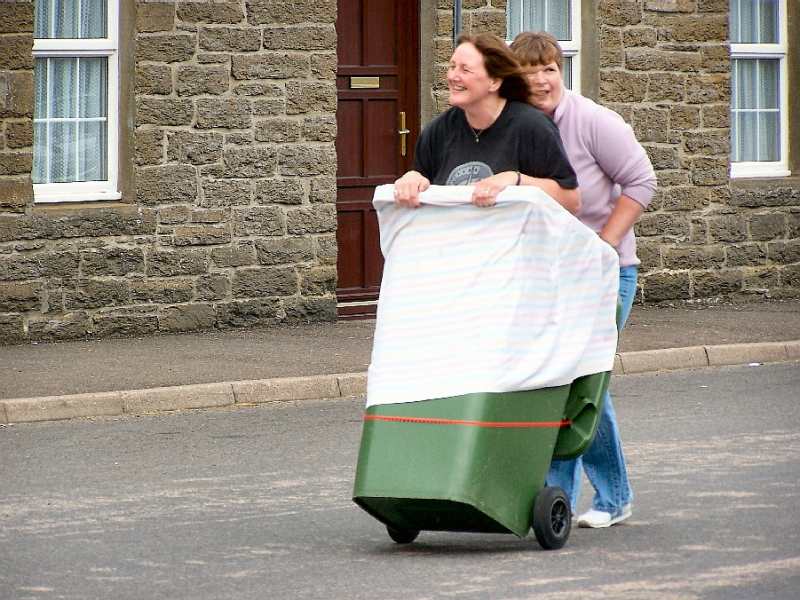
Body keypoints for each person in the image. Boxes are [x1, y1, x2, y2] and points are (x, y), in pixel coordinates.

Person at [511, 31, 657, 528]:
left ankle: (592, 498)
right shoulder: (519, 127)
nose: (541, 79)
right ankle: (577, 499)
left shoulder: (593, 121)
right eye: (529, 70)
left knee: (581, 381)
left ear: (561, 71)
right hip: (547, 277)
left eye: (549, 68)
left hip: (604, 275)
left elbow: (642, 181)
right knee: (568, 381)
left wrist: (606, 243)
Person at [393, 32, 580, 213]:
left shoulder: (533, 127)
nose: (453, 76)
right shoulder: (437, 131)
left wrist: (515, 179)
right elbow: (422, 183)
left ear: (494, 82)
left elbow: (571, 201)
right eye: (452, 67)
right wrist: (412, 179)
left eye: (465, 69)